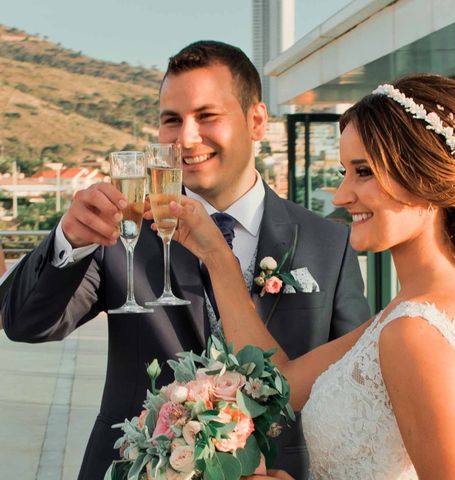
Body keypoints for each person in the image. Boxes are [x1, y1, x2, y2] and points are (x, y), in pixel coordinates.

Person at [1, 41, 369, 480]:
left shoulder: (328, 243)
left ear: (256, 121)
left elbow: (352, 393)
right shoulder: (121, 232)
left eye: (207, 116)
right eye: (171, 120)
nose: (186, 138)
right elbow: (24, 323)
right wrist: (68, 239)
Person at [168, 74, 455, 479]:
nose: (340, 196)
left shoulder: (416, 331)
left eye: (363, 172)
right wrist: (215, 253)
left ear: (424, 178)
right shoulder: (414, 310)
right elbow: (281, 381)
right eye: (344, 172)